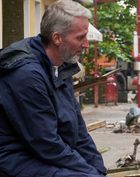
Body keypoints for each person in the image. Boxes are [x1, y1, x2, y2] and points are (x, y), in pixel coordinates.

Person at [0, 0, 107, 176]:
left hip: (42, 155)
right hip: (14, 159)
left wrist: (98, 169)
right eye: (80, 37)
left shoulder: (60, 66)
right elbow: (45, 143)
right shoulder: (26, 75)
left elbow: (79, 132)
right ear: (57, 38)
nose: (86, 44)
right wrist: (88, 172)